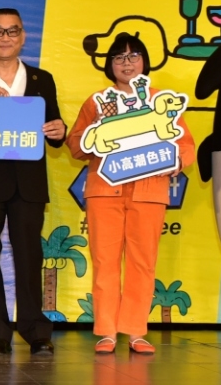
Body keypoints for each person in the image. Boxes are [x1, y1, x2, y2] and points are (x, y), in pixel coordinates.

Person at [68, 32, 195, 355]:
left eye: (134, 56)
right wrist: (97, 132)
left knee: (143, 262)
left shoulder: (162, 101)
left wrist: (176, 161)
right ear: (110, 64)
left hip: (149, 192)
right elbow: (76, 144)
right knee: (105, 261)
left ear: (145, 62)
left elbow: (185, 145)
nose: (127, 63)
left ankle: (136, 331)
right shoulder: (98, 102)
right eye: (119, 57)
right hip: (104, 191)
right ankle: (107, 331)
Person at [0, 8, 66, 356]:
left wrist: (59, 130)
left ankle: (36, 331)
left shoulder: (42, 80)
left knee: (29, 256)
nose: (5, 37)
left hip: (29, 183)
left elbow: (53, 129)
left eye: (12, 31)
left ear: (23, 37)